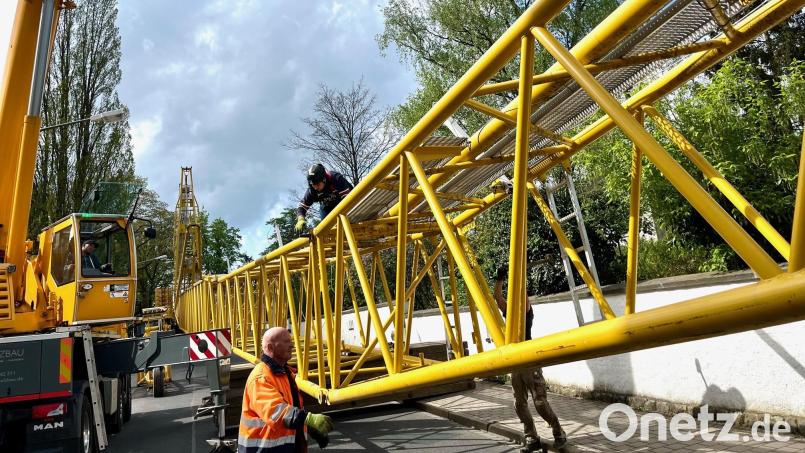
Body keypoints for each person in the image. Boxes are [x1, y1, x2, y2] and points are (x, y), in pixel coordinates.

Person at [494, 265, 567, 452]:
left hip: (530, 360)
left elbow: (522, 296)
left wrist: (517, 275)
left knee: (540, 402)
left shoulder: (526, 310)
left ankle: (558, 431)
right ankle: (531, 438)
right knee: (519, 404)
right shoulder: (508, 311)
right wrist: (500, 279)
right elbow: (498, 298)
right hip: (515, 362)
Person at [239, 327, 333, 452]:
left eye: (290, 341)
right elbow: (275, 412)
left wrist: (308, 427)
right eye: (286, 342)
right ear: (271, 348)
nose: (292, 345)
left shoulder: (285, 373)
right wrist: (308, 419)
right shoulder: (261, 378)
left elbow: (291, 408)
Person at [295, 164, 353, 231]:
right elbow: (302, 206)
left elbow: (347, 200)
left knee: (349, 219)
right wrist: (300, 219)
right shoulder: (312, 190)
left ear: (324, 179)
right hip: (327, 207)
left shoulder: (336, 179)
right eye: (313, 185)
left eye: (318, 184)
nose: (316, 187)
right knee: (324, 229)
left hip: (345, 201)